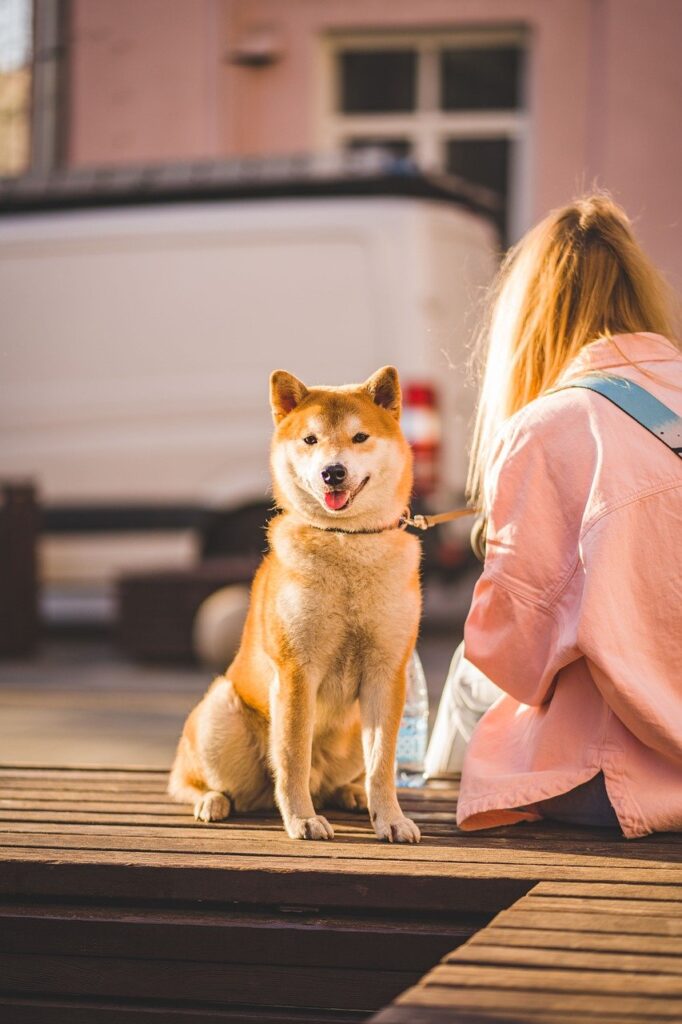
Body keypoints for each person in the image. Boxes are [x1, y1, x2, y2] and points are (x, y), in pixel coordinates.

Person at [437, 194, 682, 838]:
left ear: (531, 319)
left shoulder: (549, 427)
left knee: (466, 676)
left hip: (626, 777)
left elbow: (510, 652)